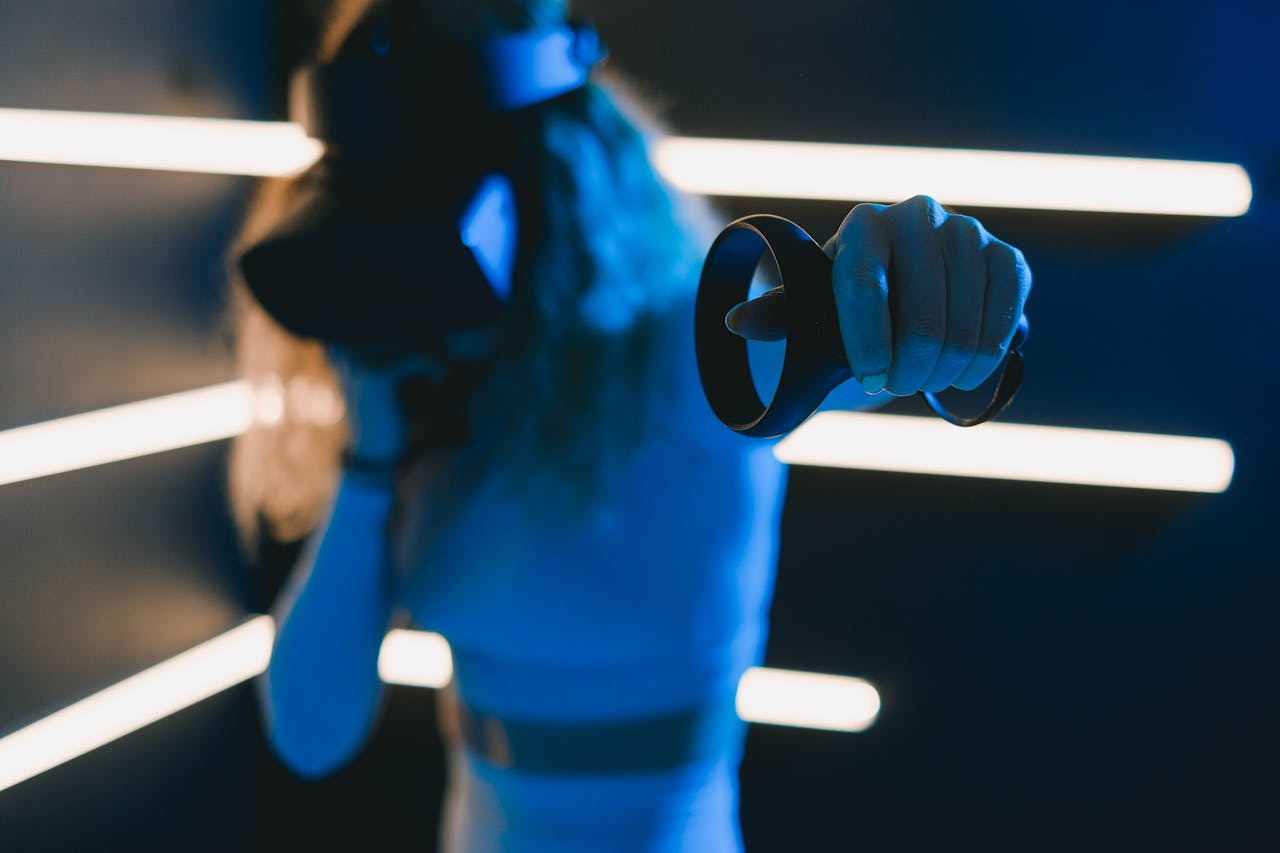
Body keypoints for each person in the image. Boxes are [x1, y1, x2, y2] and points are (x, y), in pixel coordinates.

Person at [225, 0, 1032, 850]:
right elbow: (308, 732)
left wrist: (924, 288)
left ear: (546, 181)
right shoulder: (424, 399)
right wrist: (371, 459)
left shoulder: (687, 356)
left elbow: (850, 332)